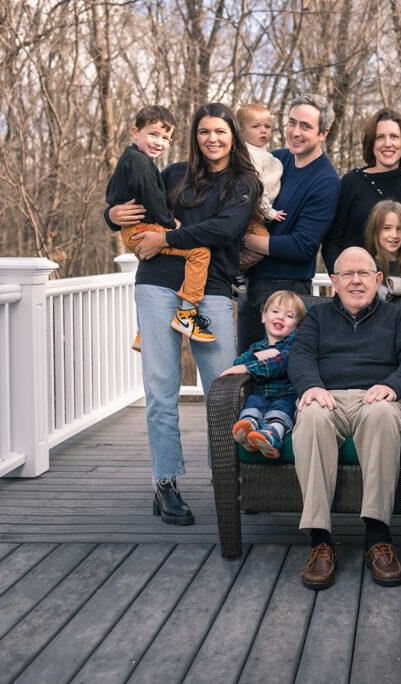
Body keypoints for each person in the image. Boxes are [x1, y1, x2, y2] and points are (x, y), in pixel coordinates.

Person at [106, 102, 260, 525]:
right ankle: (166, 483)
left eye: (221, 132)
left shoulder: (243, 183)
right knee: (160, 389)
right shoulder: (172, 173)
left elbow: (226, 229)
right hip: (156, 284)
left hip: (209, 291)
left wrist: (168, 236)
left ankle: (226, 476)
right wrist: (111, 214)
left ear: (233, 137)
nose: (212, 138)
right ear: (196, 136)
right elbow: (130, 204)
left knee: (223, 390)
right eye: (204, 131)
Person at [287, 247, 401, 591]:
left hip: (377, 397)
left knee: (382, 415)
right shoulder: (317, 318)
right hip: (328, 397)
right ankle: (320, 541)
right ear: (333, 282)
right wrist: (311, 387)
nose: (355, 281)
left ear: (378, 279)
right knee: (310, 417)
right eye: (347, 275)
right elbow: (300, 356)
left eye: (363, 273)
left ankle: (377, 538)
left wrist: (393, 386)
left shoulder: (400, 318)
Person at [236, 93, 341, 351]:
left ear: (323, 133)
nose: (295, 131)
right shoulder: (277, 159)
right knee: (245, 366)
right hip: (251, 283)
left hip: (285, 290)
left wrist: (245, 240)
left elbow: (302, 246)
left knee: (277, 371)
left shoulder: (326, 182)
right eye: (291, 122)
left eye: (305, 126)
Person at [105, 105, 215, 345]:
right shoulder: (140, 162)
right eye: (153, 134)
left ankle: (144, 330)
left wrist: (113, 211)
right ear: (135, 132)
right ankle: (187, 314)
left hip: (133, 229)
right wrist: (169, 222)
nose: (159, 142)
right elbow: (151, 196)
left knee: (151, 264)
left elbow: (112, 194)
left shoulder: (131, 159)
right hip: (142, 228)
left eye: (165, 138)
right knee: (199, 252)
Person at [322, 107, 401, 273]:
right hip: (354, 288)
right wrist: (342, 278)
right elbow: (332, 243)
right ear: (372, 142)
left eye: (394, 137)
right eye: (380, 137)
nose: (388, 144)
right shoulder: (352, 182)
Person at [223, 290, 307, 458]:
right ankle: (248, 428)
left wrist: (250, 367)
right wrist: (257, 357)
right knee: (252, 402)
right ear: (264, 317)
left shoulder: (293, 345)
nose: (280, 317)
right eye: (275, 312)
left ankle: (272, 435)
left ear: (297, 326)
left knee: (280, 410)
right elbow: (238, 363)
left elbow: (281, 363)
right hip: (261, 396)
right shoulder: (257, 348)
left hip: (287, 397)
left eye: (289, 316)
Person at [231, 103, 287, 297]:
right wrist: (269, 212)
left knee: (258, 247)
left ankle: (237, 272)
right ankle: (233, 271)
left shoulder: (265, 154)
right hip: (250, 210)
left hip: (254, 211)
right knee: (262, 245)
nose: (263, 131)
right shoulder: (248, 154)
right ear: (241, 131)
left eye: (267, 126)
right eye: (255, 126)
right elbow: (258, 188)